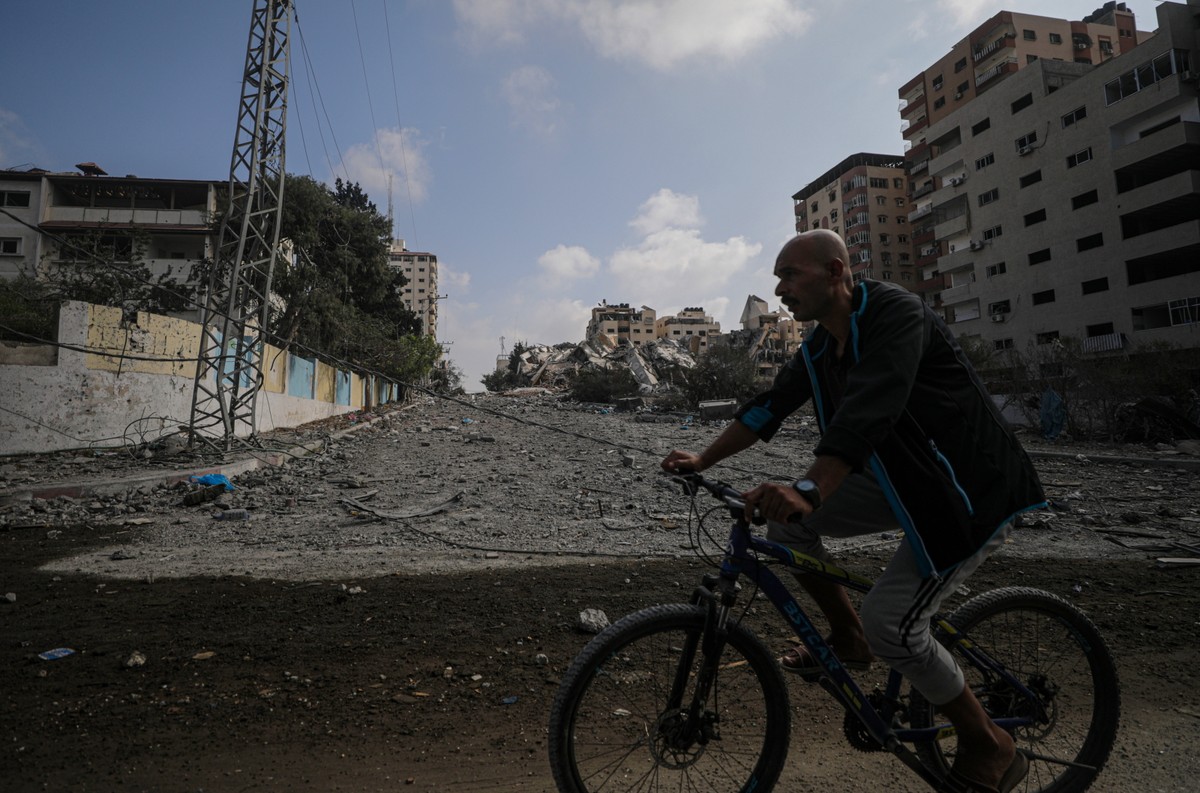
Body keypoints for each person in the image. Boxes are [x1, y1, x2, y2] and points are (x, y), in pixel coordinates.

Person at [661, 229, 1045, 793]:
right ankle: (848, 637)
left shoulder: (896, 313)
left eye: (790, 275)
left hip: (965, 488)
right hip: (899, 480)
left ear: (836, 271)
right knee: (785, 527)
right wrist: (703, 459)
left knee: (892, 623)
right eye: (778, 278)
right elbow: (767, 407)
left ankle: (989, 743)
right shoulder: (820, 347)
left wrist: (811, 488)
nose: (780, 289)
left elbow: (871, 406)